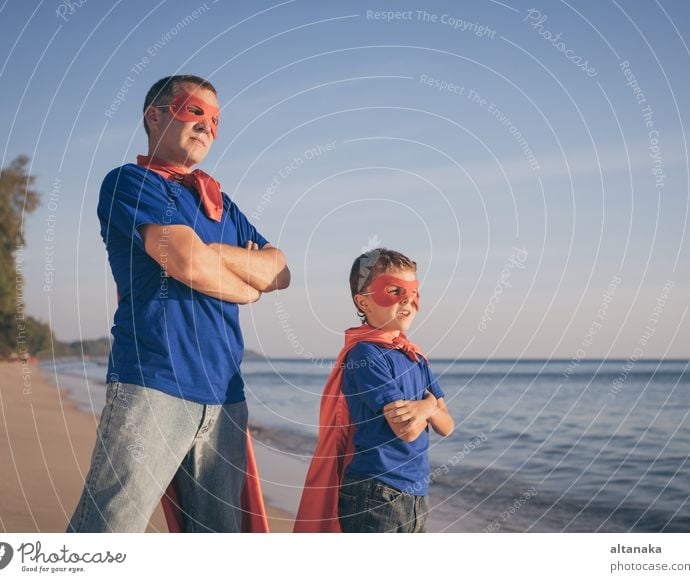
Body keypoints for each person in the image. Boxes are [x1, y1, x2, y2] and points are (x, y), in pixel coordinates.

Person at [66, 74, 290, 533]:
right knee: (109, 530)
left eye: (215, 119)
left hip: (226, 395)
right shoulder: (131, 183)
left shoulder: (221, 205)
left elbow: (279, 271)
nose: (207, 126)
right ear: (155, 116)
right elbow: (187, 262)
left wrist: (220, 257)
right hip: (154, 381)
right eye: (194, 111)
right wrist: (247, 286)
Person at [294, 248, 453, 533]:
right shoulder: (365, 355)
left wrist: (426, 408)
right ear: (363, 302)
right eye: (394, 291)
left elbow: (448, 425)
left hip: (416, 493)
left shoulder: (414, 356)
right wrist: (430, 407)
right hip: (374, 492)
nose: (408, 299)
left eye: (413, 291)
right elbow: (408, 430)